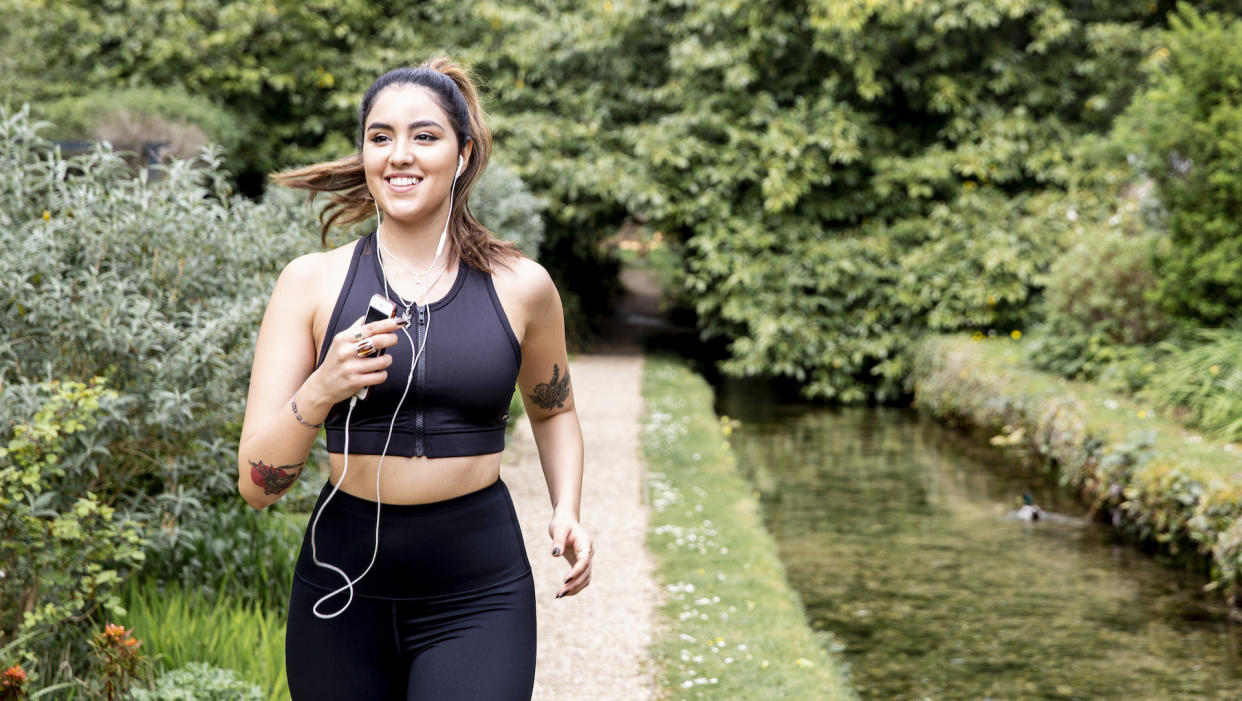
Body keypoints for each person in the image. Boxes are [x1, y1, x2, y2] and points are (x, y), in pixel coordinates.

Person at [235, 57, 592, 700]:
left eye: (424, 135)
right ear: (366, 154)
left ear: (462, 154)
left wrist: (567, 508)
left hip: (477, 590)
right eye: (380, 137)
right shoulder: (309, 284)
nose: (400, 155)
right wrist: (320, 389)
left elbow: (553, 410)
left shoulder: (521, 287)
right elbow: (258, 486)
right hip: (340, 586)